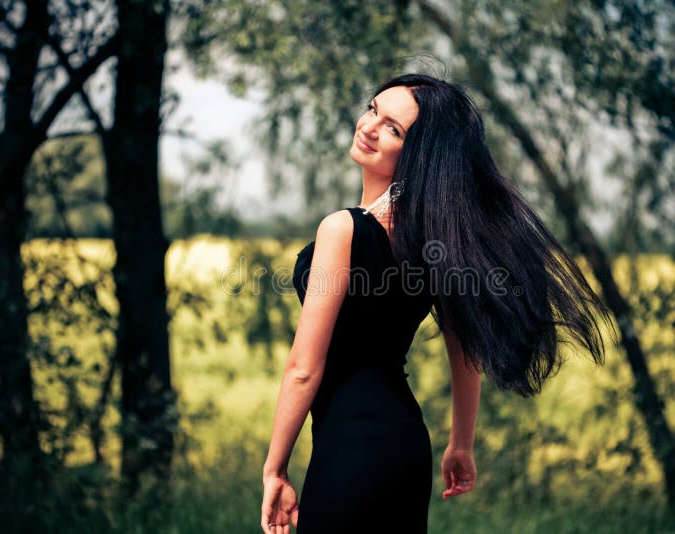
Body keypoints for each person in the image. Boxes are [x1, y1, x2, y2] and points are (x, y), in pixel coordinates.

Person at [260, 74, 616, 533]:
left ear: (417, 155)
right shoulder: (436, 236)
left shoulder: (342, 229)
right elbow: (466, 344)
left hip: (351, 449)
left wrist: (275, 469)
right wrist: (460, 444)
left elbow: (304, 368)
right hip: (405, 447)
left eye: (394, 129)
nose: (369, 127)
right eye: (373, 110)